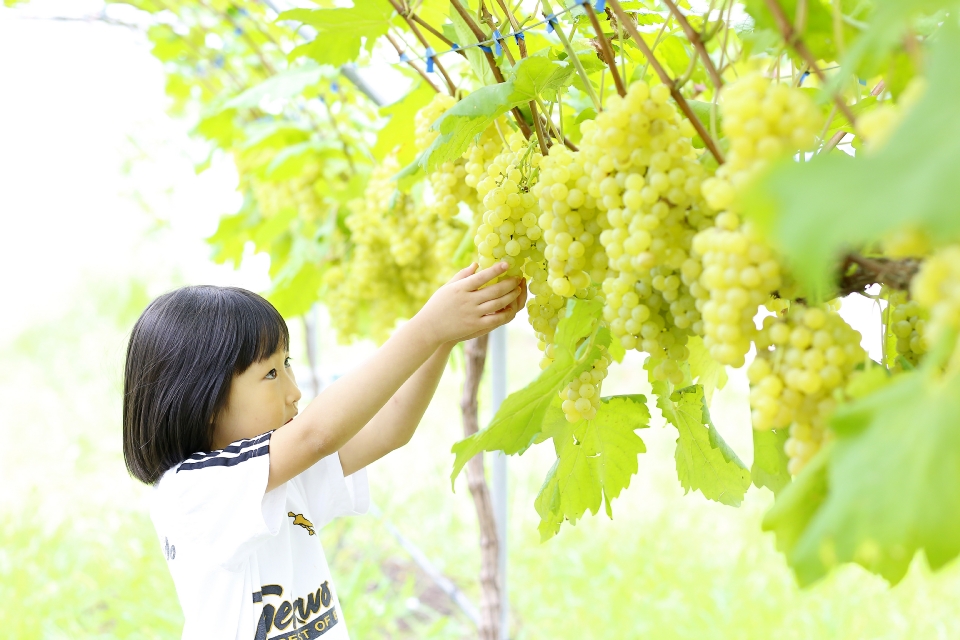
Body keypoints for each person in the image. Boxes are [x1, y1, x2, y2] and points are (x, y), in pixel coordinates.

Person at [122, 262, 526, 640]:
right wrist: (426, 327)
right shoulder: (192, 490)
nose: (294, 391)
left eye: (288, 363)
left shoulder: (278, 475)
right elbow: (317, 434)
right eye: (271, 373)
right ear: (203, 399)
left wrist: (443, 338)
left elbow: (391, 429)